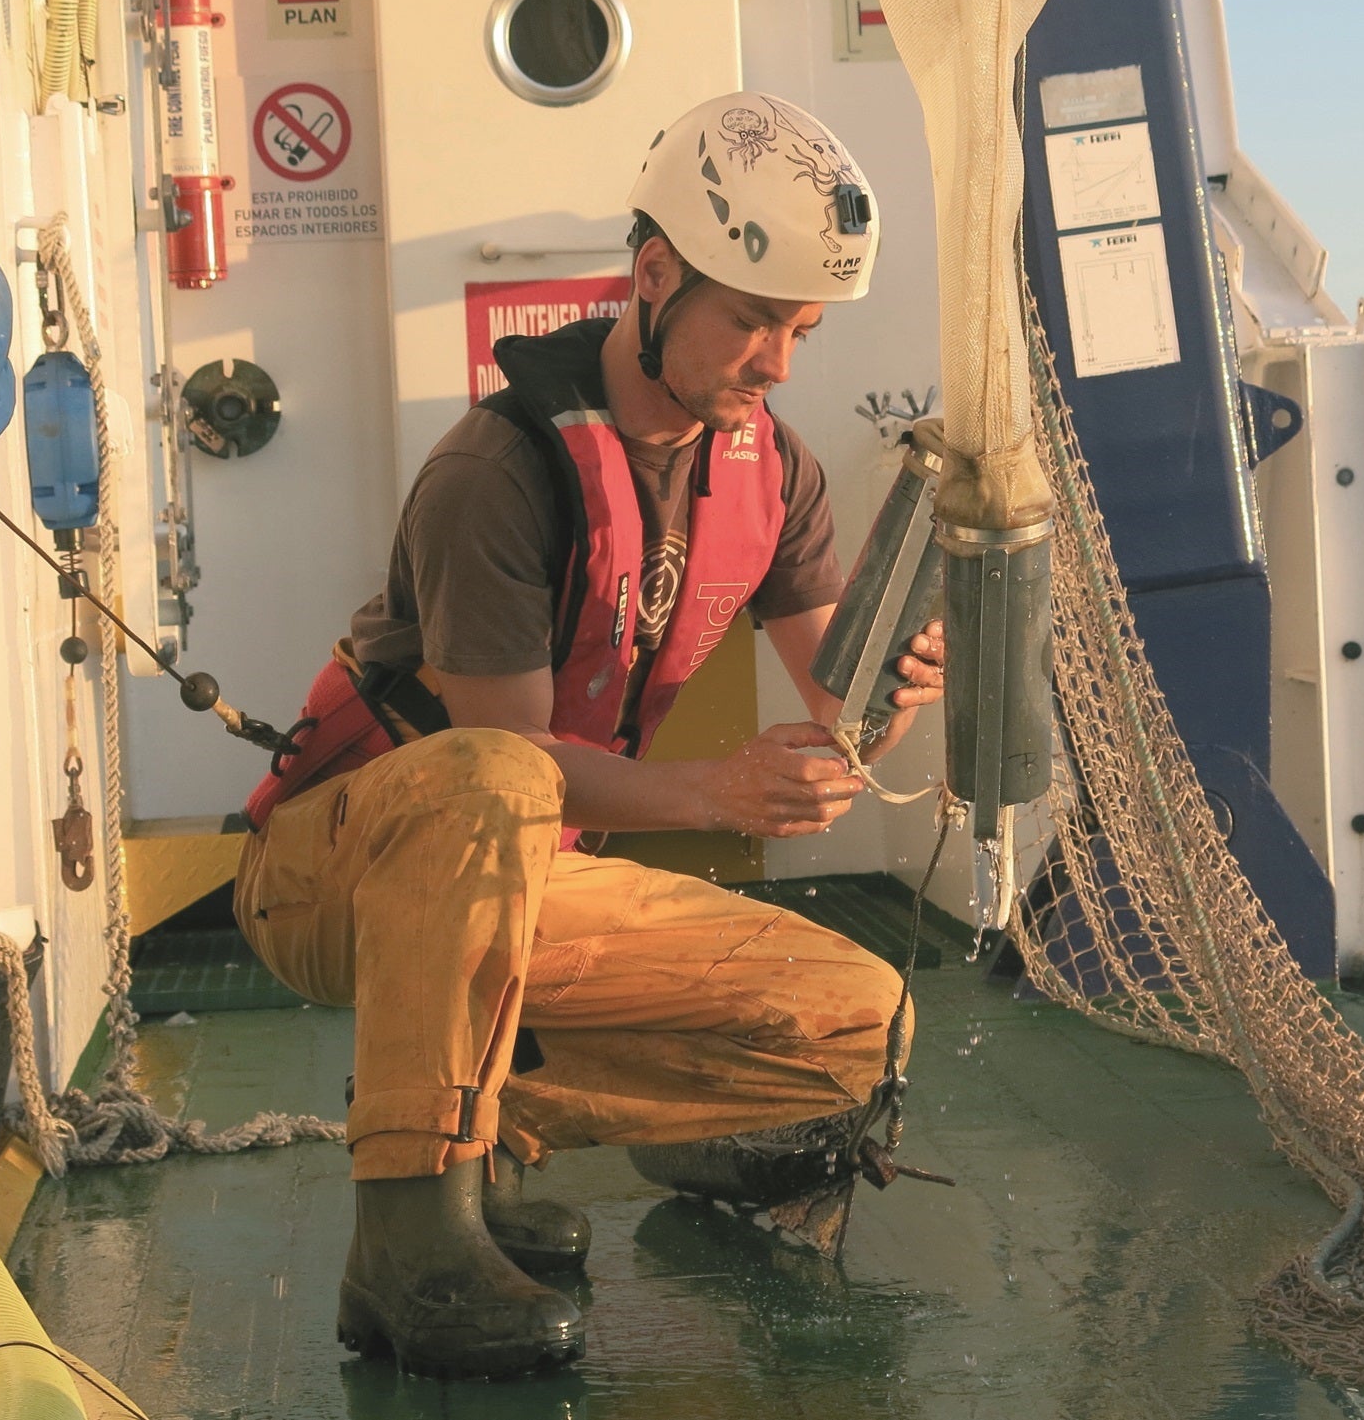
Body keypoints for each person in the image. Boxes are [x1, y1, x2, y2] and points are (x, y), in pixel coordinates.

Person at [231, 91, 944, 1381]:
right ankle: (407, 1238)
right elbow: (513, 762)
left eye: (803, 328)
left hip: (524, 880)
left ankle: (509, 1130)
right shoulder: (496, 473)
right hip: (331, 877)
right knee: (496, 784)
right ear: (656, 274)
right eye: (751, 319)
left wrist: (895, 683)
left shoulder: (776, 471)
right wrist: (723, 791)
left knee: (864, 1027)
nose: (779, 362)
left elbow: (838, 700)